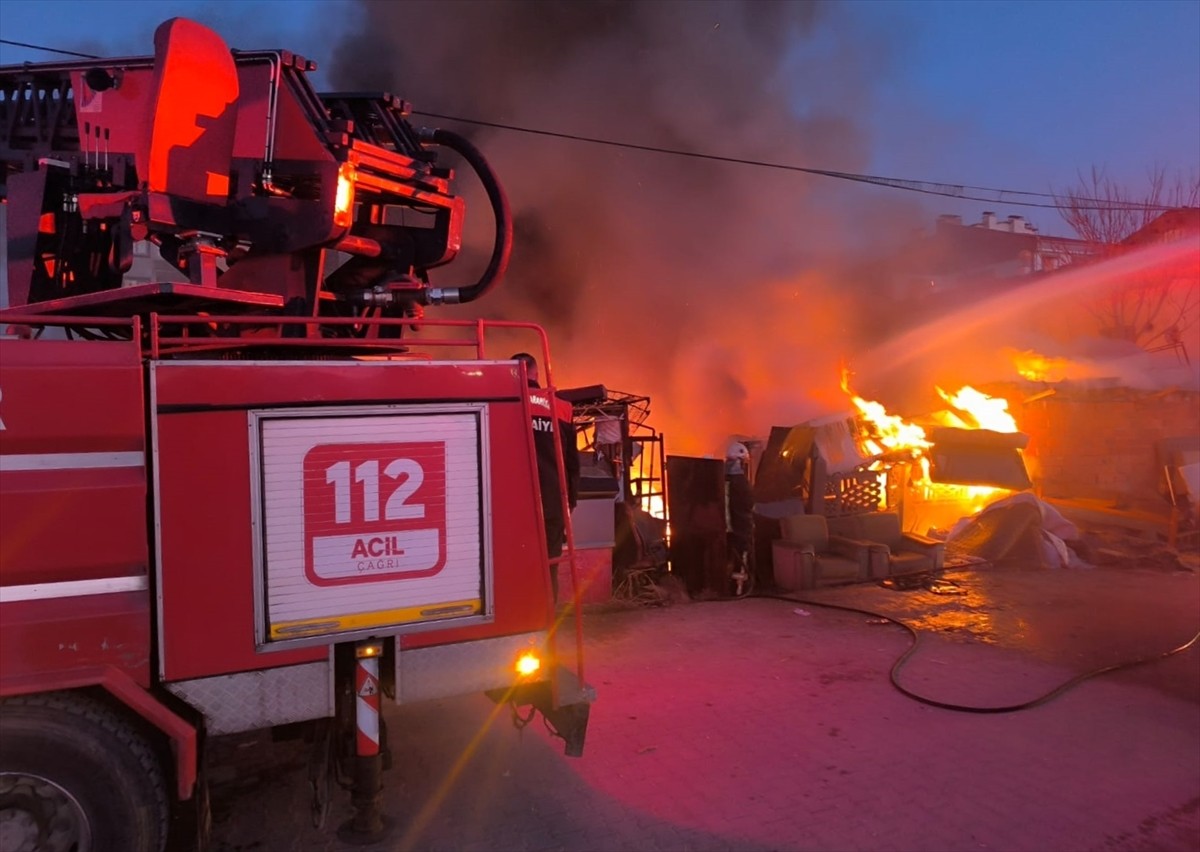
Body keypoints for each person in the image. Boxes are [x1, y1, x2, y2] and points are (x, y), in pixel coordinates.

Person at [513, 352, 580, 600]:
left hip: (516, 504)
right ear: (536, 373)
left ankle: (520, 612)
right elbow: (572, 462)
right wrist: (570, 502)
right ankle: (548, 612)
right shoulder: (562, 408)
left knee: (517, 563)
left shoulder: (506, 403)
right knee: (550, 563)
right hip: (554, 501)